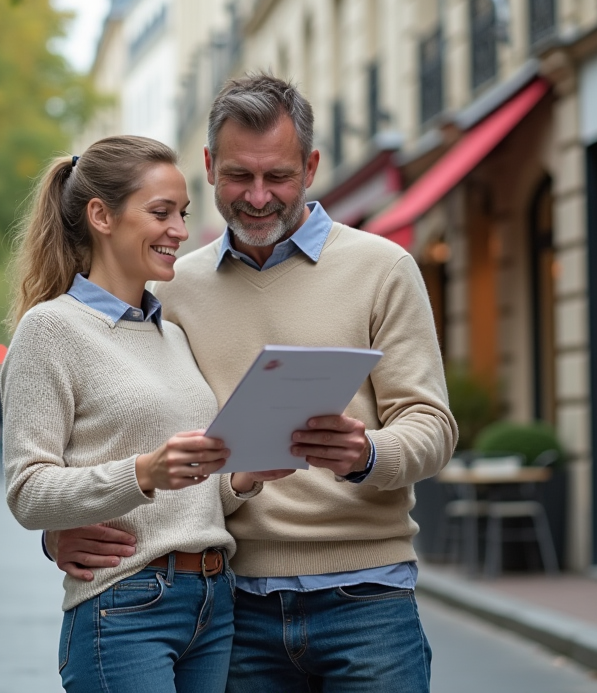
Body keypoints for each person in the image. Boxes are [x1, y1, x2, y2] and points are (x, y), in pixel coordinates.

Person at [52, 74, 457, 691]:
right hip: (230, 608)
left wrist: (368, 453)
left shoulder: (384, 270)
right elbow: (118, 422)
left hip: (368, 597)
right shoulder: (170, 287)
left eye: (279, 176)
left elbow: (433, 426)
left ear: (312, 166)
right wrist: (63, 533)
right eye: (240, 175)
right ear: (209, 167)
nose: (259, 197)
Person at [2, 136, 292, 693]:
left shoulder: (173, 335)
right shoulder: (51, 330)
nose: (180, 231)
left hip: (213, 601)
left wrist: (243, 476)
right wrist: (142, 474)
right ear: (101, 216)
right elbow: (27, 491)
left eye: (182, 214)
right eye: (161, 213)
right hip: (127, 604)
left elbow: (189, 490)